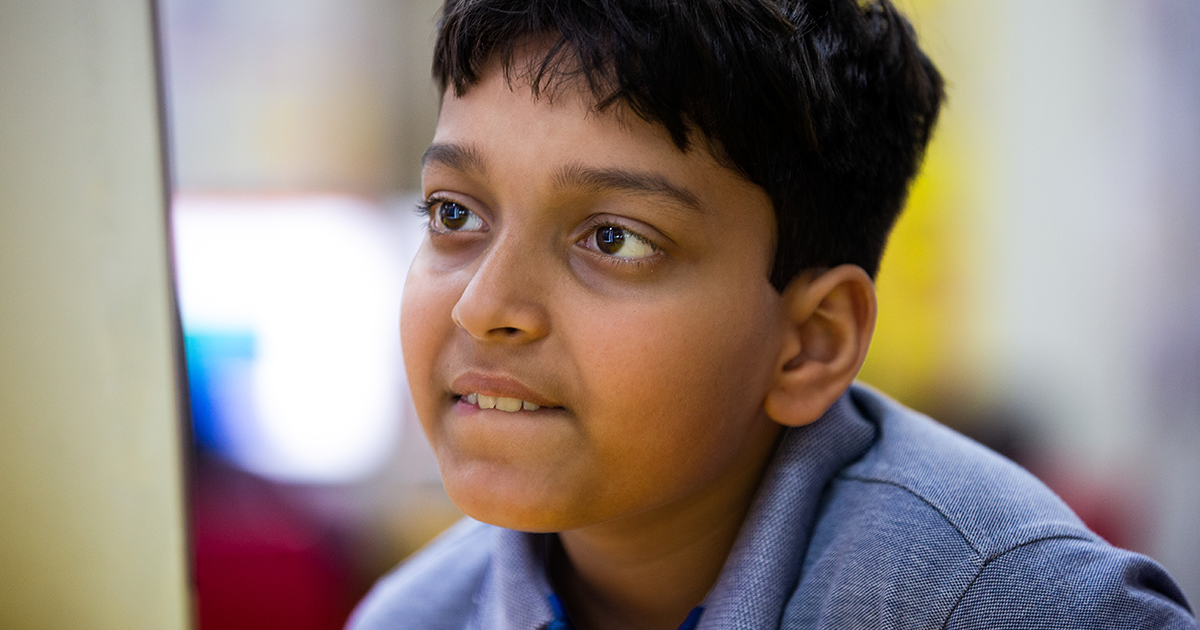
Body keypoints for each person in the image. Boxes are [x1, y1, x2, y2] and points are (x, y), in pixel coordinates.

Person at [350, 0, 1198, 628]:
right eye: (454, 214)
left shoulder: (1025, 609)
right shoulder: (410, 617)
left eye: (614, 238)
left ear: (810, 344)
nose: (483, 305)